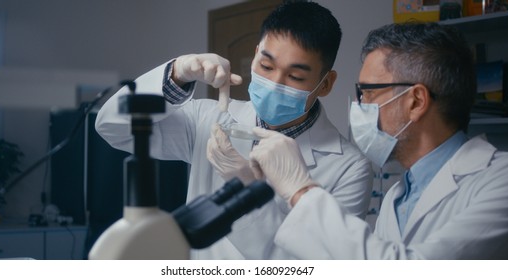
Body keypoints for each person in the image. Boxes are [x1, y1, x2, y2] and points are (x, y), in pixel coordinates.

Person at [95, 1, 373, 259]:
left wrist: (246, 190)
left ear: (325, 84)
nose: (275, 82)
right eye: (266, 66)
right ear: (254, 57)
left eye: (295, 76)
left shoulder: (349, 168)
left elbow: (320, 264)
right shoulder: (208, 119)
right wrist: (177, 74)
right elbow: (111, 127)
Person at [248, 21, 508, 259]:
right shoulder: (396, 198)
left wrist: (300, 191)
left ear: (416, 102)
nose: (360, 106)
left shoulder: (505, 179)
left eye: (367, 93)